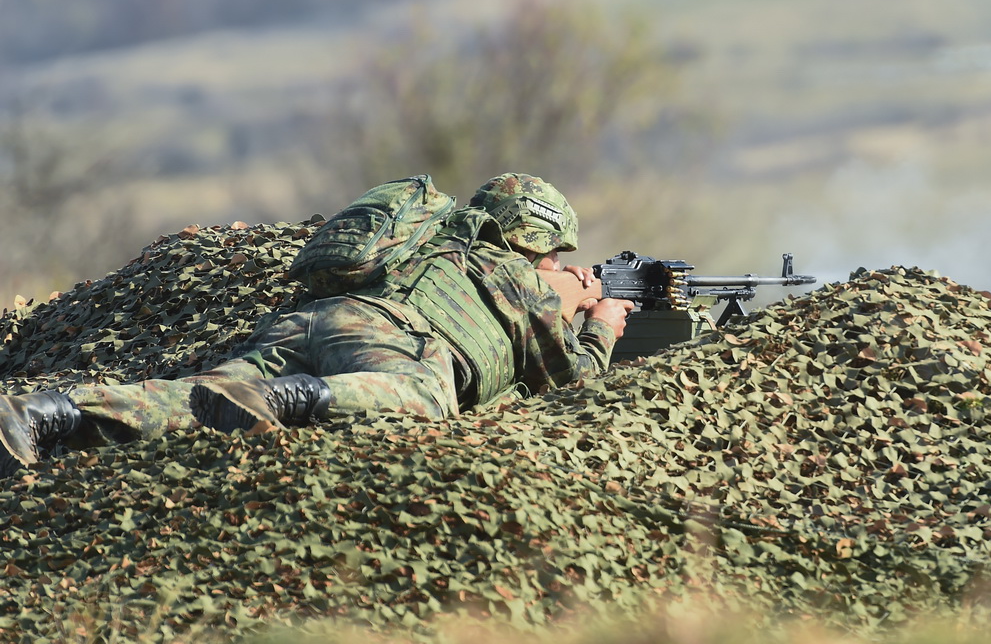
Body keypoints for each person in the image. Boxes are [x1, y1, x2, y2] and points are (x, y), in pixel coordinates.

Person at [0, 173, 634, 477]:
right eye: (556, 256)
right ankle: (282, 400)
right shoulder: (517, 278)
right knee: (425, 394)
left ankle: (45, 415)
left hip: (308, 323)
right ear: (535, 242)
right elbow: (572, 383)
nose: (561, 267)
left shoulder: (430, 237)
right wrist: (599, 319)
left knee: (195, 398)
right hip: (389, 341)